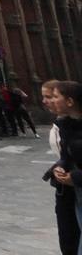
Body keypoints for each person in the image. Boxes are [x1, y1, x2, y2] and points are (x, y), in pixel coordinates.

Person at [41, 80, 80, 255]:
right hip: (70, 190)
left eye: (52, 96)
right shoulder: (64, 124)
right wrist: (60, 167)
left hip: (76, 185)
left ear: (70, 101)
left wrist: (77, 177)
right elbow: (66, 155)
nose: (47, 101)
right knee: (70, 238)